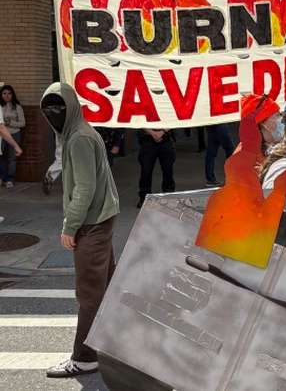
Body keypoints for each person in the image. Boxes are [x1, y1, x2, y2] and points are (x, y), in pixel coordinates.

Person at [40, 83, 119, 379]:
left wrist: (69, 226)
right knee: (104, 287)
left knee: (89, 292)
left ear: (71, 107)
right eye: (47, 108)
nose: (53, 113)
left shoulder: (79, 138)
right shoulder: (79, 132)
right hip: (100, 217)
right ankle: (110, 344)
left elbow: (85, 188)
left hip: (91, 223)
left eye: (58, 107)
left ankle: (85, 358)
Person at [136, 128, 176, 208]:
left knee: (168, 171)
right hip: (147, 139)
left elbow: (174, 121)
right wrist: (152, 133)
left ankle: (168, 197)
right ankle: (144, 198)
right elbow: (139, 121)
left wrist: (162, 132)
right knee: (145, 171)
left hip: (166, 139)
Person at [0, 85, 25, 187]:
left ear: (13, 95)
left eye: (9, 93)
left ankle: (10, 179)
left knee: (12, 158)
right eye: (4, 93)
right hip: (2, 135)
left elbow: (23, 123)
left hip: (14, 134)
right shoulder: (0, 107)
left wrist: (11, 122)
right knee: (1, 157)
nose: (7, 96)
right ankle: (3, 178)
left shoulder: (17, 107)